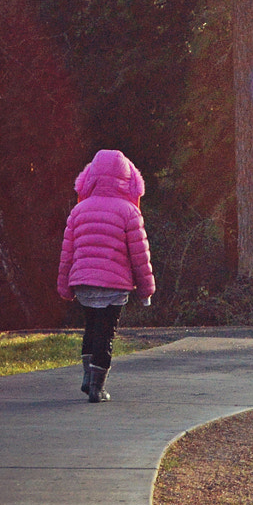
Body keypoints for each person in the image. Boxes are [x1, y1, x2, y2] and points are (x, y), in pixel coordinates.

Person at [56, 149, 154, 403]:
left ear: (91, 177)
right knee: (106, 334)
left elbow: (67, 253)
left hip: (84, 284)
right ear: (128, 179)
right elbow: (139, 256)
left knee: (91, 328)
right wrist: (146, 290)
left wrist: (64, 286)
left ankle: (88, 379)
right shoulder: (129, 212)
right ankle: (98, 389)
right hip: (114, 285)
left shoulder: (79, 211)